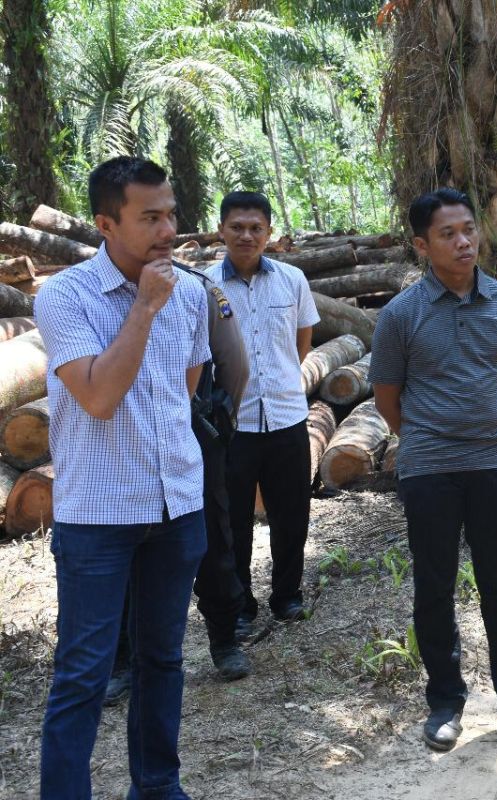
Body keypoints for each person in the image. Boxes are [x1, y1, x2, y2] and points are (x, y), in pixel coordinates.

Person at [35, 156, 210, 798]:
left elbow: (182, 391)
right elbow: (102, 396)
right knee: (83, 673)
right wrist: (142, 309)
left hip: (175, 510)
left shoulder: (190, 292)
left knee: (162, 659)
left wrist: (162, 298)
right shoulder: (63, 297)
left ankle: (158, 786)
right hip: (96, 520)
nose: (169, 230)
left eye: (170, 214)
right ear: (106, 224)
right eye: (150, 218)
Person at [369, 188, 497, 755]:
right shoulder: (401, 315)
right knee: (434, 588)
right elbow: (387, 398)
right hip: (429, 471)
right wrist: (428, 436)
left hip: (496, 463)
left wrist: (486, 423)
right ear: (423, 245)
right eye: (448, 233)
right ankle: (445, 703)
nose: (464, 240)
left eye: (468, 228)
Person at [105, 260, 251, 703]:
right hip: (125, 444)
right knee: (127, 545)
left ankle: (222, 641)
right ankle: (130, 658)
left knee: (208, 539)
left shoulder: (198, 289)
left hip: (190, 433)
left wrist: (217, 424)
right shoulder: (85, 290)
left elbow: (234, 365)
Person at [205, 192, 320, 630]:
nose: (247, 235)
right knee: (232, 522)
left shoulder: (291, 279)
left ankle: (287, 596)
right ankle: (239, 608)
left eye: (256, 228)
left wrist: (279, 380)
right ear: (221, 230)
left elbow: (301, 340)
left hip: (288, 419)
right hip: (232, 427)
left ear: (269, 232)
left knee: (291, 516)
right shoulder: (204, 283)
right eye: (237, 227)